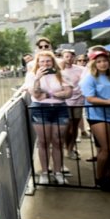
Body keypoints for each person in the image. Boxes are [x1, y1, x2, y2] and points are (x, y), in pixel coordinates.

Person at [79, 49, 110, 191]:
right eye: (99, 61)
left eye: (105, 61)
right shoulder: (89, 78)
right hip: (97, 115)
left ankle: (109, 178)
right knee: (106, 149)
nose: (102, 64)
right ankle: (100, 179)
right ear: (94, 63)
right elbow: (90, 98)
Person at [25, 50, 72, 185]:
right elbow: (36, 94)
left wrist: (49, 94)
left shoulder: (61, 74)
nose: (45, 64)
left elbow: (68, 93)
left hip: (60, 109)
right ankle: (44, 172)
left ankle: (58, 172)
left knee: (58, 141)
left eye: (48, 61)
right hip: (40, 109)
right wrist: (37, 79)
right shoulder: (32, 75)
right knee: (43, 141)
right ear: (37, 63)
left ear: (53, 62)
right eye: (42, 61)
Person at [60, 49, 85, 162]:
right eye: (66, 56)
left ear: (74, 58)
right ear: (63, 57)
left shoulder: (81, 70)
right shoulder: (59, 70)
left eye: (71, 56)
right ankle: (67, 147)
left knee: (74, 126)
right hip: (65, 101)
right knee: (67, 127)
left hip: (78, 100)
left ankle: (71, 148)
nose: (69, 59)